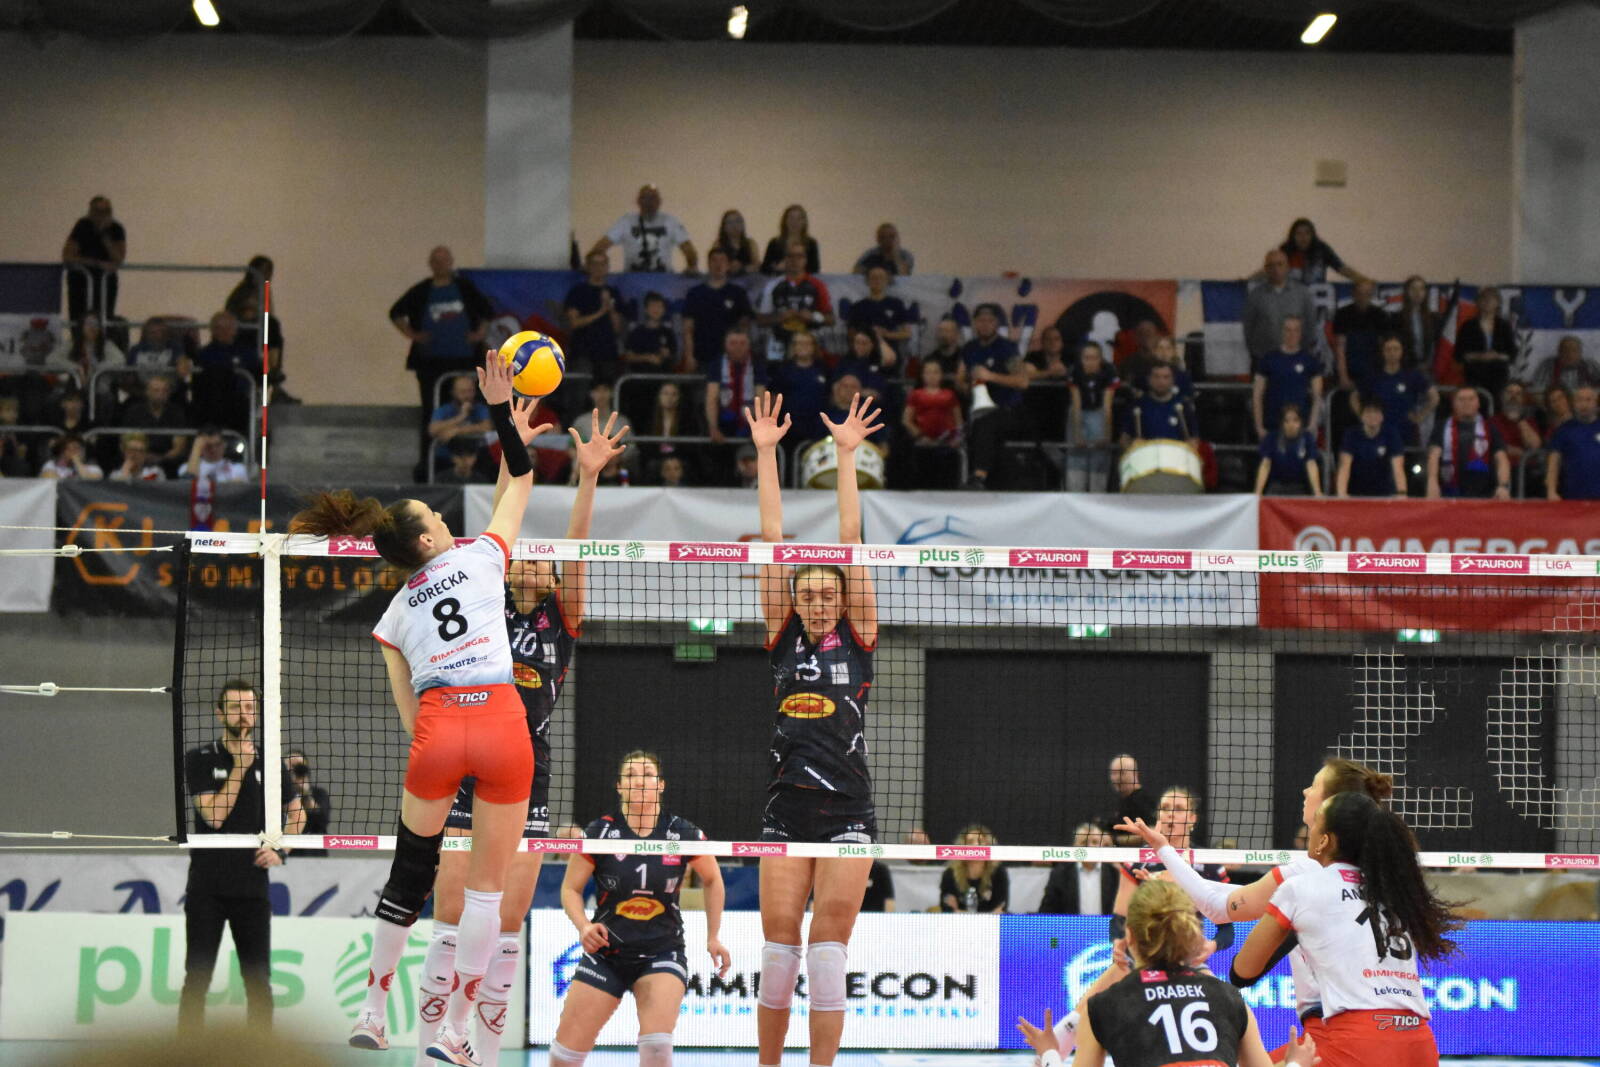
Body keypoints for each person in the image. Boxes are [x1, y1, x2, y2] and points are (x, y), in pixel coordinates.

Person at [291, 354, 543, 1064]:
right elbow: (522, 482)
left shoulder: (395, 612)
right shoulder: (485, 558)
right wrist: (502, 415)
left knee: (411, 870)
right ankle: (457, 1030)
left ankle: (374, 1013)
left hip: (438, 730)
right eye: (436, 515)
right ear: (429, 538)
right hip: (502, 724)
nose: (445, 517)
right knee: (487, 893)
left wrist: (440, 736)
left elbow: (408, 715)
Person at [417, 409, 627, 1066]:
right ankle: (428, 1046)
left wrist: (588, 477)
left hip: (529, 769)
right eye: (523, 559)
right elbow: (500, 519)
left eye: (542, 562)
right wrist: (513, 448)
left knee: (508, 922)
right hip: (468, 762)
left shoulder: (564, 618)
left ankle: (479, 1048)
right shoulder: (485, 606)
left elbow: (576, 542)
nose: (530, 564)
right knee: (450, 912)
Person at [747, 390, 881, 1067]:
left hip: (848, 810)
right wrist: (767, 454)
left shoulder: (860, 636)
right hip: (785, 807)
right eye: (809, 593)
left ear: (844, 597)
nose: (820, 600)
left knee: (829, 952)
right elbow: (773, 541)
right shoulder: (782, 633)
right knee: (778, 954)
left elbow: (851, 541)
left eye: (830, 592)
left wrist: (846, 457)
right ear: (795, 600)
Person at [1123, 757, 1395, 1048]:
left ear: (1330, 804)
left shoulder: (1305, 873)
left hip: (1342, 1030)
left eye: (1313, 786)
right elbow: (1241, 894)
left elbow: (1221, 912)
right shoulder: (1383, 871)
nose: (1305, 791)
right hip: (1399, 1024)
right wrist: (1180, 878)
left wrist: (1164, 850)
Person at [1233, 792, 1459, 1066]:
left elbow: (1242, 972)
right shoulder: (1396, 891)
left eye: (1315, 823)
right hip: (1419, 1043)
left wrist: (1292, 931)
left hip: (1359, 1041)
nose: (1310, 830)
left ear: (1326, 840)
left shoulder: (1300, 888)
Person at [1017, 880, 1319, 1067]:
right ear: (1191, 934)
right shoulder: (1229, 997)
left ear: (1129, 936)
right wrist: (1294, 1065)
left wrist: (1050, 1054)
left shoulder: (1103, 1006)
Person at [552, 752, 730, 1067]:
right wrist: (583, 927)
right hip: (606, 953)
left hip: (662, 952)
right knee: (563, 1057)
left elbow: (713, 880)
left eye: (647, 774)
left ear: (660, 785)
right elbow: (570, 889)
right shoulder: (599, 832)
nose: (639, 781)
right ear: (620, 786)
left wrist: (713, 936)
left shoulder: (682, 832)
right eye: (631, 775)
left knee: (657, 1047)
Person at [181, 681, 306, 1029]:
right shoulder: (199, 759)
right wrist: (240, 766)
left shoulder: (272, 761)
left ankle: (262, 1051)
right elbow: (214, 817)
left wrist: (282, 850)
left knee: (258, 981)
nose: (244, 714)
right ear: (220, 713)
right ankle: (186, 1049)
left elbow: (297, 815)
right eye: (235, 707)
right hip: (206, 888)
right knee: (197, 979)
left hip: (251, 889)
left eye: (250, 707)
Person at [390, 246, 494, 473]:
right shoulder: (421, 290)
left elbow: (487, 312)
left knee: (469, 406)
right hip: (431, 362)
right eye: (436, 261)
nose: (441, 265)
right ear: (430, 264)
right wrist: (413, 335)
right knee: (431, 411)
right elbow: (395, 313)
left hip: (464, 360)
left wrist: (479, 334)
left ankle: (472, 460)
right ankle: (429, 464)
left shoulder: (464, 288)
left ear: (451, 262)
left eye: (445, 260)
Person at [1110, 787, 1229, 945]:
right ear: (1158, 816)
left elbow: (1227, 929)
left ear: (1192, 818)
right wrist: (1119, 946)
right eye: (1165, 808)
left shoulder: (1209, 864)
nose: (1170, 813)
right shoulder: (1137, 861)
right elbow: (1120, 920)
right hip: (1147, 950)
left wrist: (1212, 946)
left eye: (1178, 809)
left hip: (1188, 950)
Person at [961, 303, 1033, 490]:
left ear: (996, 324)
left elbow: (1023, 382)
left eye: (989, 320)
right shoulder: (969, 349)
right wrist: (967, 385)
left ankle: (979, 477)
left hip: (1008, 409)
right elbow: (960, 378)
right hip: (978, 408)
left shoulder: (1006, 348)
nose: (985, 324)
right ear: (975, 323)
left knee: (987, 423)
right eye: (981, 320)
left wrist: (990, 376)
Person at [226, 255, 297, 404]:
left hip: (262, 332)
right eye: (264, 271)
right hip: (244, 332)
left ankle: (275, 374)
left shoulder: (265, 291)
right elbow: (236, 315)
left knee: (274, 332)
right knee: (273, 327)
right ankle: (274, 376)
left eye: (270, 271)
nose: (268, 275)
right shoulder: (243, 292)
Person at [589, 184, 697, 274]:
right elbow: (603, 244)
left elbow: (688, 248)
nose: (649, 202)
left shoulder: (671, 222)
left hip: (663, 278)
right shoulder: (626, 221)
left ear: (659, 201)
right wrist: (590, 264)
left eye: (653, 198)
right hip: (633, 277)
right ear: (638, 201)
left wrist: (692, 266)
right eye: (646, 198)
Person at [1426, 387, 1509, 499]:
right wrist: (1432, 482)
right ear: (1453, 404)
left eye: (1471, 399)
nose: (1467, 403)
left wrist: (1503, 486)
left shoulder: (1490, 428)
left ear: (1478, 403)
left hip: (1485, 494)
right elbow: (1433, 456)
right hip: (1449, 493)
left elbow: (1501, 458)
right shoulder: (1442, 427)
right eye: (1461, 399)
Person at [757, 242, 835, 361]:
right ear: (784, 259)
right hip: (779, 342)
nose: (795, 260)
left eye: (799, 256)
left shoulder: (817, 285)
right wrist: (780, 317)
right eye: (790, 256)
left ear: (805, 260)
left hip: (808, 341)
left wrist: (813, 317)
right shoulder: (773, 286)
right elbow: (761, 320)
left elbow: (831, 319)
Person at [682, 247, 754, 373]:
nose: (718, 264)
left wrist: (741, 353)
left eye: (722, 260)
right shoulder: (695, 293)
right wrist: (689, 356)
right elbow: (688, 328)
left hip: (730, 357)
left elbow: (744, 327)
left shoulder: (738, 293)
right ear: (708, 264)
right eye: (714, 260)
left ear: (728, 265)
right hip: (702, 356)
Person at [1356, 335, 1436, 447]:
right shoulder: (1374, 376)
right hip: (1379, 431)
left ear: (1402, 351)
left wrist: (1420, 416)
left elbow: (1434, 397)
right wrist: (1363, 416)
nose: (1392, 353)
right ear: (1382, 352)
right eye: (1388, 349)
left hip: (1405, 430)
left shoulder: (1412, 375)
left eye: (1396, 349)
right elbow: (1354, 397)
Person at [1243, 249, 1319, 366]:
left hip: (1296, 360)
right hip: (1264, 360)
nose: (1276, 269)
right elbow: (1248, 328)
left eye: (1280, 264)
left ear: (1288, 267)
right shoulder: (1256, 295)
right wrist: (1256, 353)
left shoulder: (1303, 293)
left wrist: (1304, 352)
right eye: (1271, 265)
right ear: (1266, 269)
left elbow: (1311, 325)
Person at [1252, 317, 1323, 441]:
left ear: (1301, 333)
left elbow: (1317, 396)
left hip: (1301, 425)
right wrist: (1259, 426)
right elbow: (1257, 395)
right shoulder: (1268, 359)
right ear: (1282, 332)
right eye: (1288, 330)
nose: (1292, 334)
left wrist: (1313, 424)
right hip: (1273, 425)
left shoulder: (1310, 361)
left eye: (1296, 330)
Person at [62, 195, 126, 324]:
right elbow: (68, 256)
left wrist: (105, 237)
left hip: (105, 282)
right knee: (78, 319)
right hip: (80, 280)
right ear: (90, 212)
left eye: (106, 211)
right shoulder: (82, 226)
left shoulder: (116, 228)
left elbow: (118, 259)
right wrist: (96, 263)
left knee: (104, 319)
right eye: (98, 211)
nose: (102, 215)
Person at [564, 251, 626, 382]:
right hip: (582, 353)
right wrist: (600, 312)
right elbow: (574, 323)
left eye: (603, 264)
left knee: (607, 389)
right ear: (588, 267)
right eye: (595, 264)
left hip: (608, 353)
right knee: (581, 388)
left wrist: (610, 308)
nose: (599, 268)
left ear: (607, 267)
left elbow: (617, 328)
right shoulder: (578, 291)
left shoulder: (614, 292)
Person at [902, 358, 962, 489]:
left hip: (946, 442)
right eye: (928, 372)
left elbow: (958, 421)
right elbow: (906, 420)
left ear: (941, 375)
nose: (932, 376)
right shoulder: (916, 395)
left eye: (935, 372)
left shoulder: (950, 395)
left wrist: (956, 438)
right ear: (922, 375)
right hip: (923, 442)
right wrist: (920, 436)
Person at [1067, 342, 1118, 492]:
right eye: (1086, 358)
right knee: (1076, 461)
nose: (1090, 362)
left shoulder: (1109, 371)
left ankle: (1098, 494)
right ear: (1081, 359)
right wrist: (1077, 434)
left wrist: (1106, 435)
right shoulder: (1075, 371)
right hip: (1080, 412)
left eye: (1094, 358)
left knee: (1099, 462)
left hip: (1099, 412)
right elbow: (1076, 404)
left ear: (1100, 359)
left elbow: (1107, 406)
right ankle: (1075, 492)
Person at [1038, 824, 1118, 915]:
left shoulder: (1114, 874)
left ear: (1102, 845)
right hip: (1071, 924)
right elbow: (1046, 911)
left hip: (1107, 924)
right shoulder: (1060, 874)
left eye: (1095, 842)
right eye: (1084, 842)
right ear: (1075, 846)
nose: (1090, 847)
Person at [705, 328, 767, 444]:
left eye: (742, 343)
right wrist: (713, 428)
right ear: (725, 345)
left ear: (749, 346)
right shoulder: (716, 364)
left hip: (749, 422)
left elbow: (761, 398)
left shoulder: (757, 364)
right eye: (733, 343)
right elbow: (712, 398)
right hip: (723, 421)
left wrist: (759, 427)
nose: (738, 347)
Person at [768, 331, 831, 445]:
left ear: (814, 347)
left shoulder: (824, 369)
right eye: (799, 343)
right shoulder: (783, 371)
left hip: (818, 427)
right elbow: (773, 398)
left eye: (807, 343)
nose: (803, 347)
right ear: (793, 347)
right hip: (789, 428)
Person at [1336, 399, 1407, 498]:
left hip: (1385, 493)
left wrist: (1402, 494)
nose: (1372, 415)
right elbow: (1344, 466)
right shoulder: (1351, 435)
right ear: (1361, 416)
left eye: (1376, 412)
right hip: (1356, 492)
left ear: (1382, 416)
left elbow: (1398, 468)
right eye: (1368, 412)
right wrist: (1341, 494)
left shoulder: (1391, 434)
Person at [1454, 286, 1516, 398]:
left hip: (1498, 376)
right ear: (1477, 302)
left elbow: (1512, 354)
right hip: (1474, 376)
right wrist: (1478, 356)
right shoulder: (1468, 326)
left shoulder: (1504, 326)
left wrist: (1497, 356)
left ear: (1498, 303)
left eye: (1491, 299)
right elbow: (1458, 354)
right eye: (1484, 298)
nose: (1487, 302)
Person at [1332, 278, 1393, 389]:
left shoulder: (1380, 315)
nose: (1363, 297)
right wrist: (1343, 376)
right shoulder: (1342, 314)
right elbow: (1340, 348)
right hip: (1350, 370)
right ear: (1353, 294)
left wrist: (1385, 374)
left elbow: (1384, 348)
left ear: (1372, 295)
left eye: (1367, 294)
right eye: (1360, 293)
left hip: (1374, 370)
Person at [845, 265, 912, 363]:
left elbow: (907, 333)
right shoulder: (858, 306)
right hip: (864, 354)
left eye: (881, 277)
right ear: (867, 281)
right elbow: (851, 335)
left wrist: (886, 334)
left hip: (889, 354)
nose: (877, 280)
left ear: (887, 280)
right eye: (874, 277)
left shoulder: (896, 304)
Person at [1546, 385, 1600, 500]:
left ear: (1596, 404)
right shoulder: (1563, 430)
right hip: (1572, 496)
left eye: (1588, 400)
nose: (1584, 404)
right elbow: (1554, 463)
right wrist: (1551, 491)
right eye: (1579, 400)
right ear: (1574, 404)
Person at [939, 825, 1009, 913]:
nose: (975, 845)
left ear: (988, 845)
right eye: (970, 842)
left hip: (991, 922)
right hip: (958, 922)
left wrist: (961, 912)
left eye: (980, 841)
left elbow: (1000, 909)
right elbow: (948, 910)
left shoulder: (998, 872)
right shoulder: (950, 874)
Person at [1254, 405, 1321, 496]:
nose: (1291, 425)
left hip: (1300, 488)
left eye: (1295, 420)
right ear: (1282, 423)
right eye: (1286, 421)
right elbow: (1265, 464)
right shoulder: (1271, 438)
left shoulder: (1307, 438)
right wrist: (1258, 492)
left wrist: (1317, 492)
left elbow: (1311, 464)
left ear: (1301, 422)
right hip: (1276, 487)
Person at [1121, 363, 1196, 444]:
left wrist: (1191, 444)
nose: (1161, 381)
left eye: (1166, 377)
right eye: (1156, 377)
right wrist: (1133, 444)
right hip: (1147, 451)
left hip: (1175, 451)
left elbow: (1195, 439)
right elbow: (1123, 440)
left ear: (1173, 380)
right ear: (1149, 379)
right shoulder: (1137, 406)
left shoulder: (1183, 406)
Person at [429, 374, 491, 470]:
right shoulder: (444, 410)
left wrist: (457, 431)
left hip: (475, 459)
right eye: (462, 392)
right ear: (453, 392)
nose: (467, 396)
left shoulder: (480, 408)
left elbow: (487, 427)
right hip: (447, 458)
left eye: (470, 391)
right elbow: (432, 430)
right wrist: (461, 417)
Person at [1279, 216, 1366, 284]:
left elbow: (1341, 268)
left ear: (1313, 235)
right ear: (1292, 236)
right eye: (1299, 233)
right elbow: (1273, 272)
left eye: (1307, 233)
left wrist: (1363, 280)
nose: (1303, 237)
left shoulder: (1322, 249)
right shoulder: (1285, 251)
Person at [283, 747, 332, 852]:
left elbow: (322, 820)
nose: (293, 771)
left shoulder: (319, 794)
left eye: (298, 766)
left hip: (313, 854)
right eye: (289, 766)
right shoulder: (275, 795)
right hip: (286, 852)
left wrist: (305, 793)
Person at [622, 291, 677, 371]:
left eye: (659, 306)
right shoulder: (636, 332)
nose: (656, 309)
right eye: (653, 306)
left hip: (663, 376)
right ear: (646, 309)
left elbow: (674, 357)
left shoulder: (668, 333)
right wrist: (646, 357)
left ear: (664, 310)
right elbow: (628, 357)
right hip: (640, 376)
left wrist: (667, 354)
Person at [760, 204, 819, 275]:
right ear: (785, 221)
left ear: (804, 222)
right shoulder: (775, 243)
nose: (795, 222)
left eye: (799, 219)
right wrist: (776, 268)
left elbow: (814, 269)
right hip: (779, 280)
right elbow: (764, 269)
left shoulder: (811, 243)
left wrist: (793, 267)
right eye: (791, 218)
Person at [1531, 335, 1600, 394]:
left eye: (1574, 350)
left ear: (1580, 352)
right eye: (1565, 350)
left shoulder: (1590, 365)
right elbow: (1537, 390)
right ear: (1559, 352)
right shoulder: (1548, 365)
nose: (1570, 354)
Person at [1395, 276, 1437, 371]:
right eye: (1413, 289)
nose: (1417, 293)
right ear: (1406, 292)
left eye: (1421, 289)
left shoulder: (1433, 318)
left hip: (1427, 367)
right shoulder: (1397, 318)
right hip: (1405, 367)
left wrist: (1427, 363)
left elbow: (1434, 344)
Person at [179, 427, 249, 484]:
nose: (213, 449)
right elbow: (187, 485)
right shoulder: (186, 468)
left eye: (217, 444)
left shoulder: (238, 469)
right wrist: (196, 449)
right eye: (208, 446)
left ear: (224, 444)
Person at [709, 209, 759, 276]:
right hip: (726, 278)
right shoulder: (718, 244)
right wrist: (729, 267)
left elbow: (756, 265)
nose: (734, 225)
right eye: (730, 222)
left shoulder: (750, 243)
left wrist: (743, 268)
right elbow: (714, 265)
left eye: (737, 221)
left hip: (747, 277)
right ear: (724, 227)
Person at [37, 432, 103, 480]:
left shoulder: (93, 467)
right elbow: (48, 478)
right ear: (62, 451)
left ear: (82, 451)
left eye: (76, 448)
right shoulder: (51, 465)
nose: (73, 452)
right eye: (68, 449)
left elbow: (90, 482)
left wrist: (77, 462)